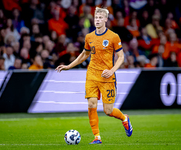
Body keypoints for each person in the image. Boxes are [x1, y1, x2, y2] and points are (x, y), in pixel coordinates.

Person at [56, 7, 133, 144]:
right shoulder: (89, 37)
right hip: (91, 75)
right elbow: (84, 54)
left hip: (107, 77)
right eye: (95, 18)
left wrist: (112, 70)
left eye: (99, 18)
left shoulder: (113, 36)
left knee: (108, 111)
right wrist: (68, 66)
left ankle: (124, 118)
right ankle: (97, 137)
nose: (97, 20)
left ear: (105, 19)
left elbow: (121, 57)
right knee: (91, 104)